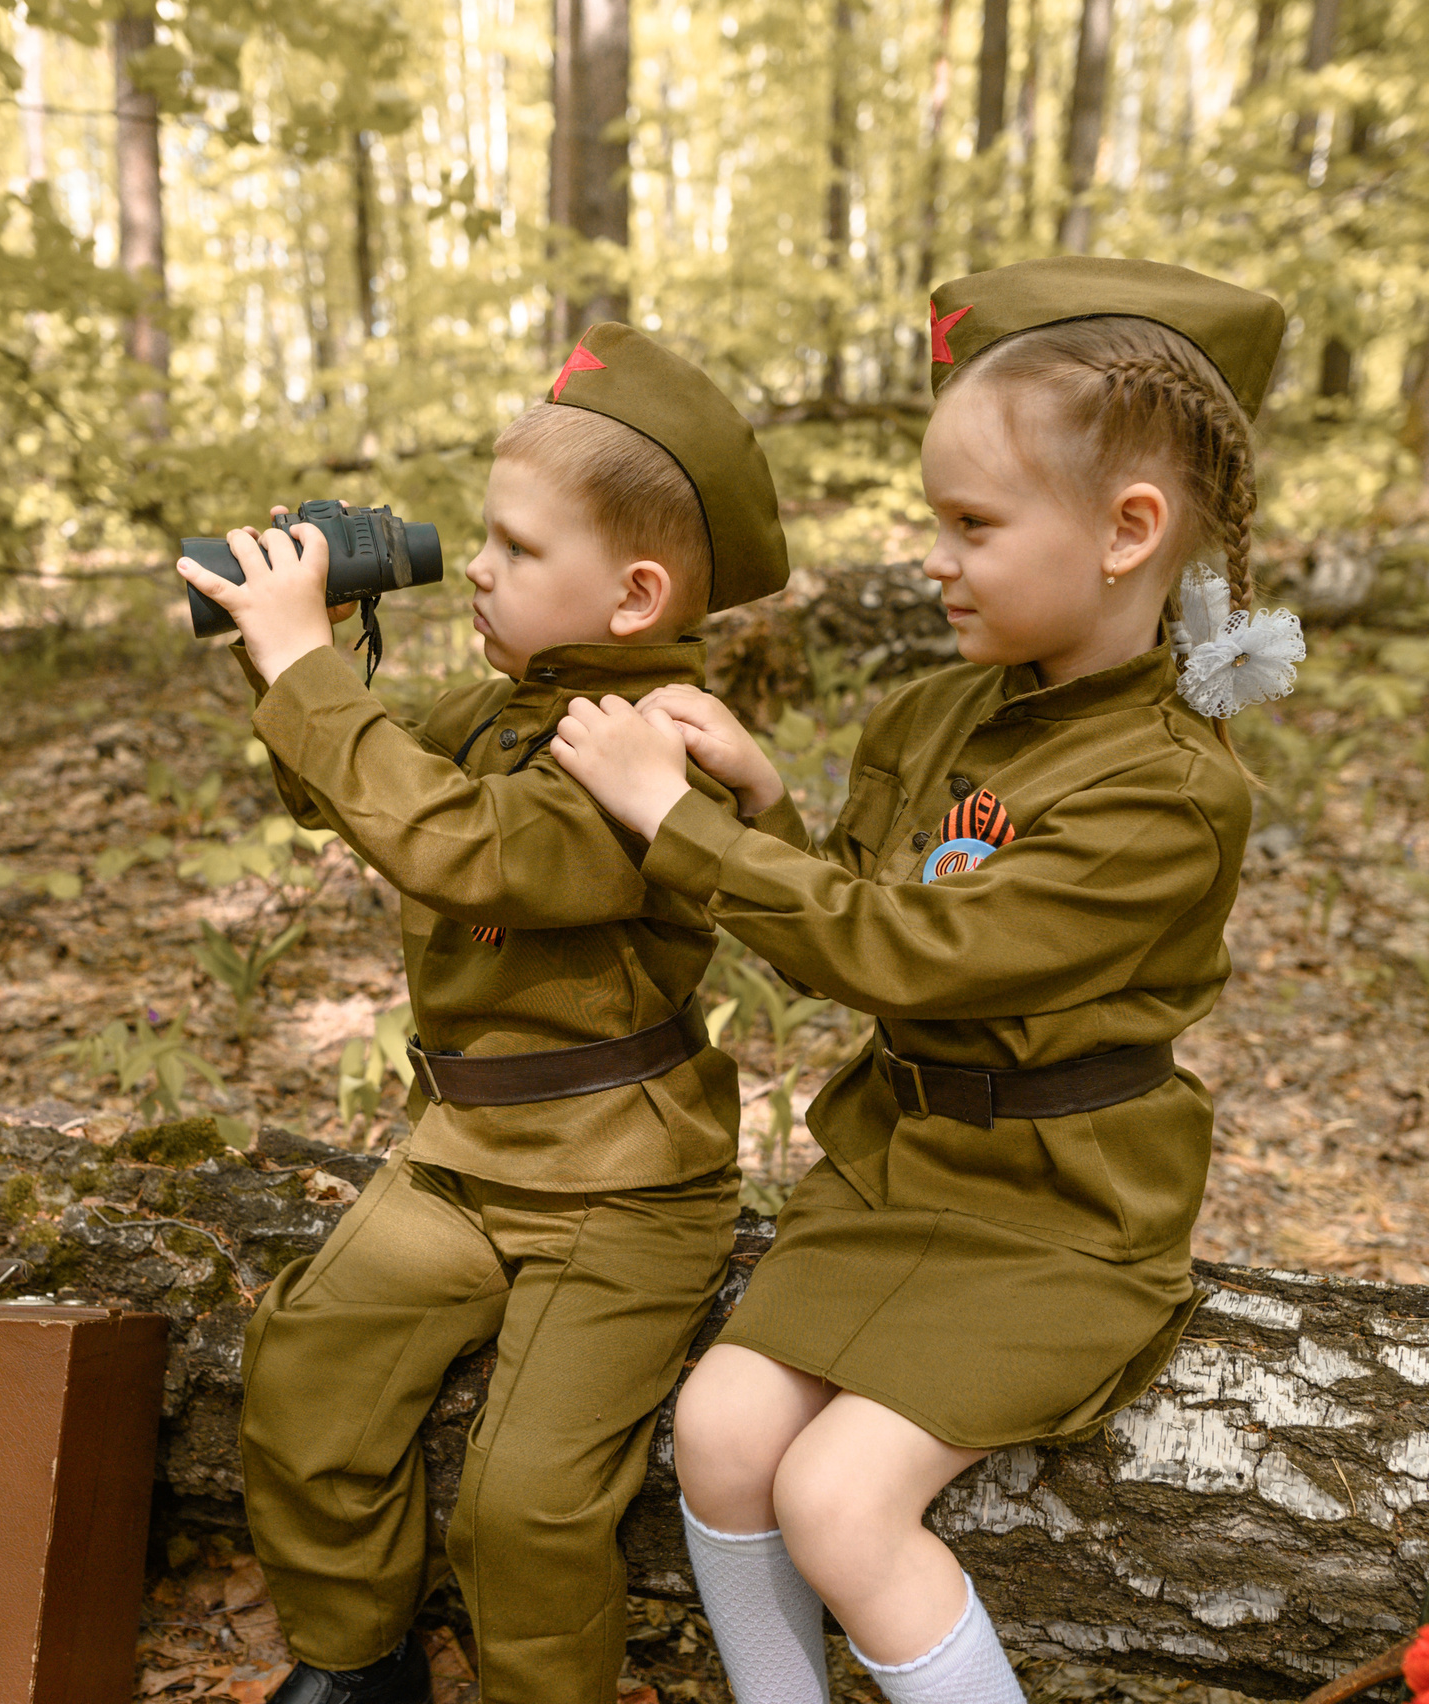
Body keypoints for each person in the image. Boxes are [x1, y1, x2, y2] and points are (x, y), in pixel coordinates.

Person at [547, 258, 1303, 1704]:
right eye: (932, 520)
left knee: (840, 1498)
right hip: (906, 1170)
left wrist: (678, 827)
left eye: (973, 525)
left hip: (1059, 1210)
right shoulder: (941, 705)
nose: (935, 560)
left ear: (1127, 532)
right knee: (717, 1427)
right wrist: (763, 806)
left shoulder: (1168, 790)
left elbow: (912, 957)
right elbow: (869, 895)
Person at [174, 324, 797, 1704]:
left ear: (634, 595)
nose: (480, 565)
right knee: (303, 1373)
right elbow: (339, 784)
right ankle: (357, 1664)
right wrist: (290, 647)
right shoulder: (499, 708)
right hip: (464, 1157)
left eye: (518, 548)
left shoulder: (658, 742)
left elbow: (473, 850)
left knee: (524, 1509)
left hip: (621, 1192)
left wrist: (306, 674)